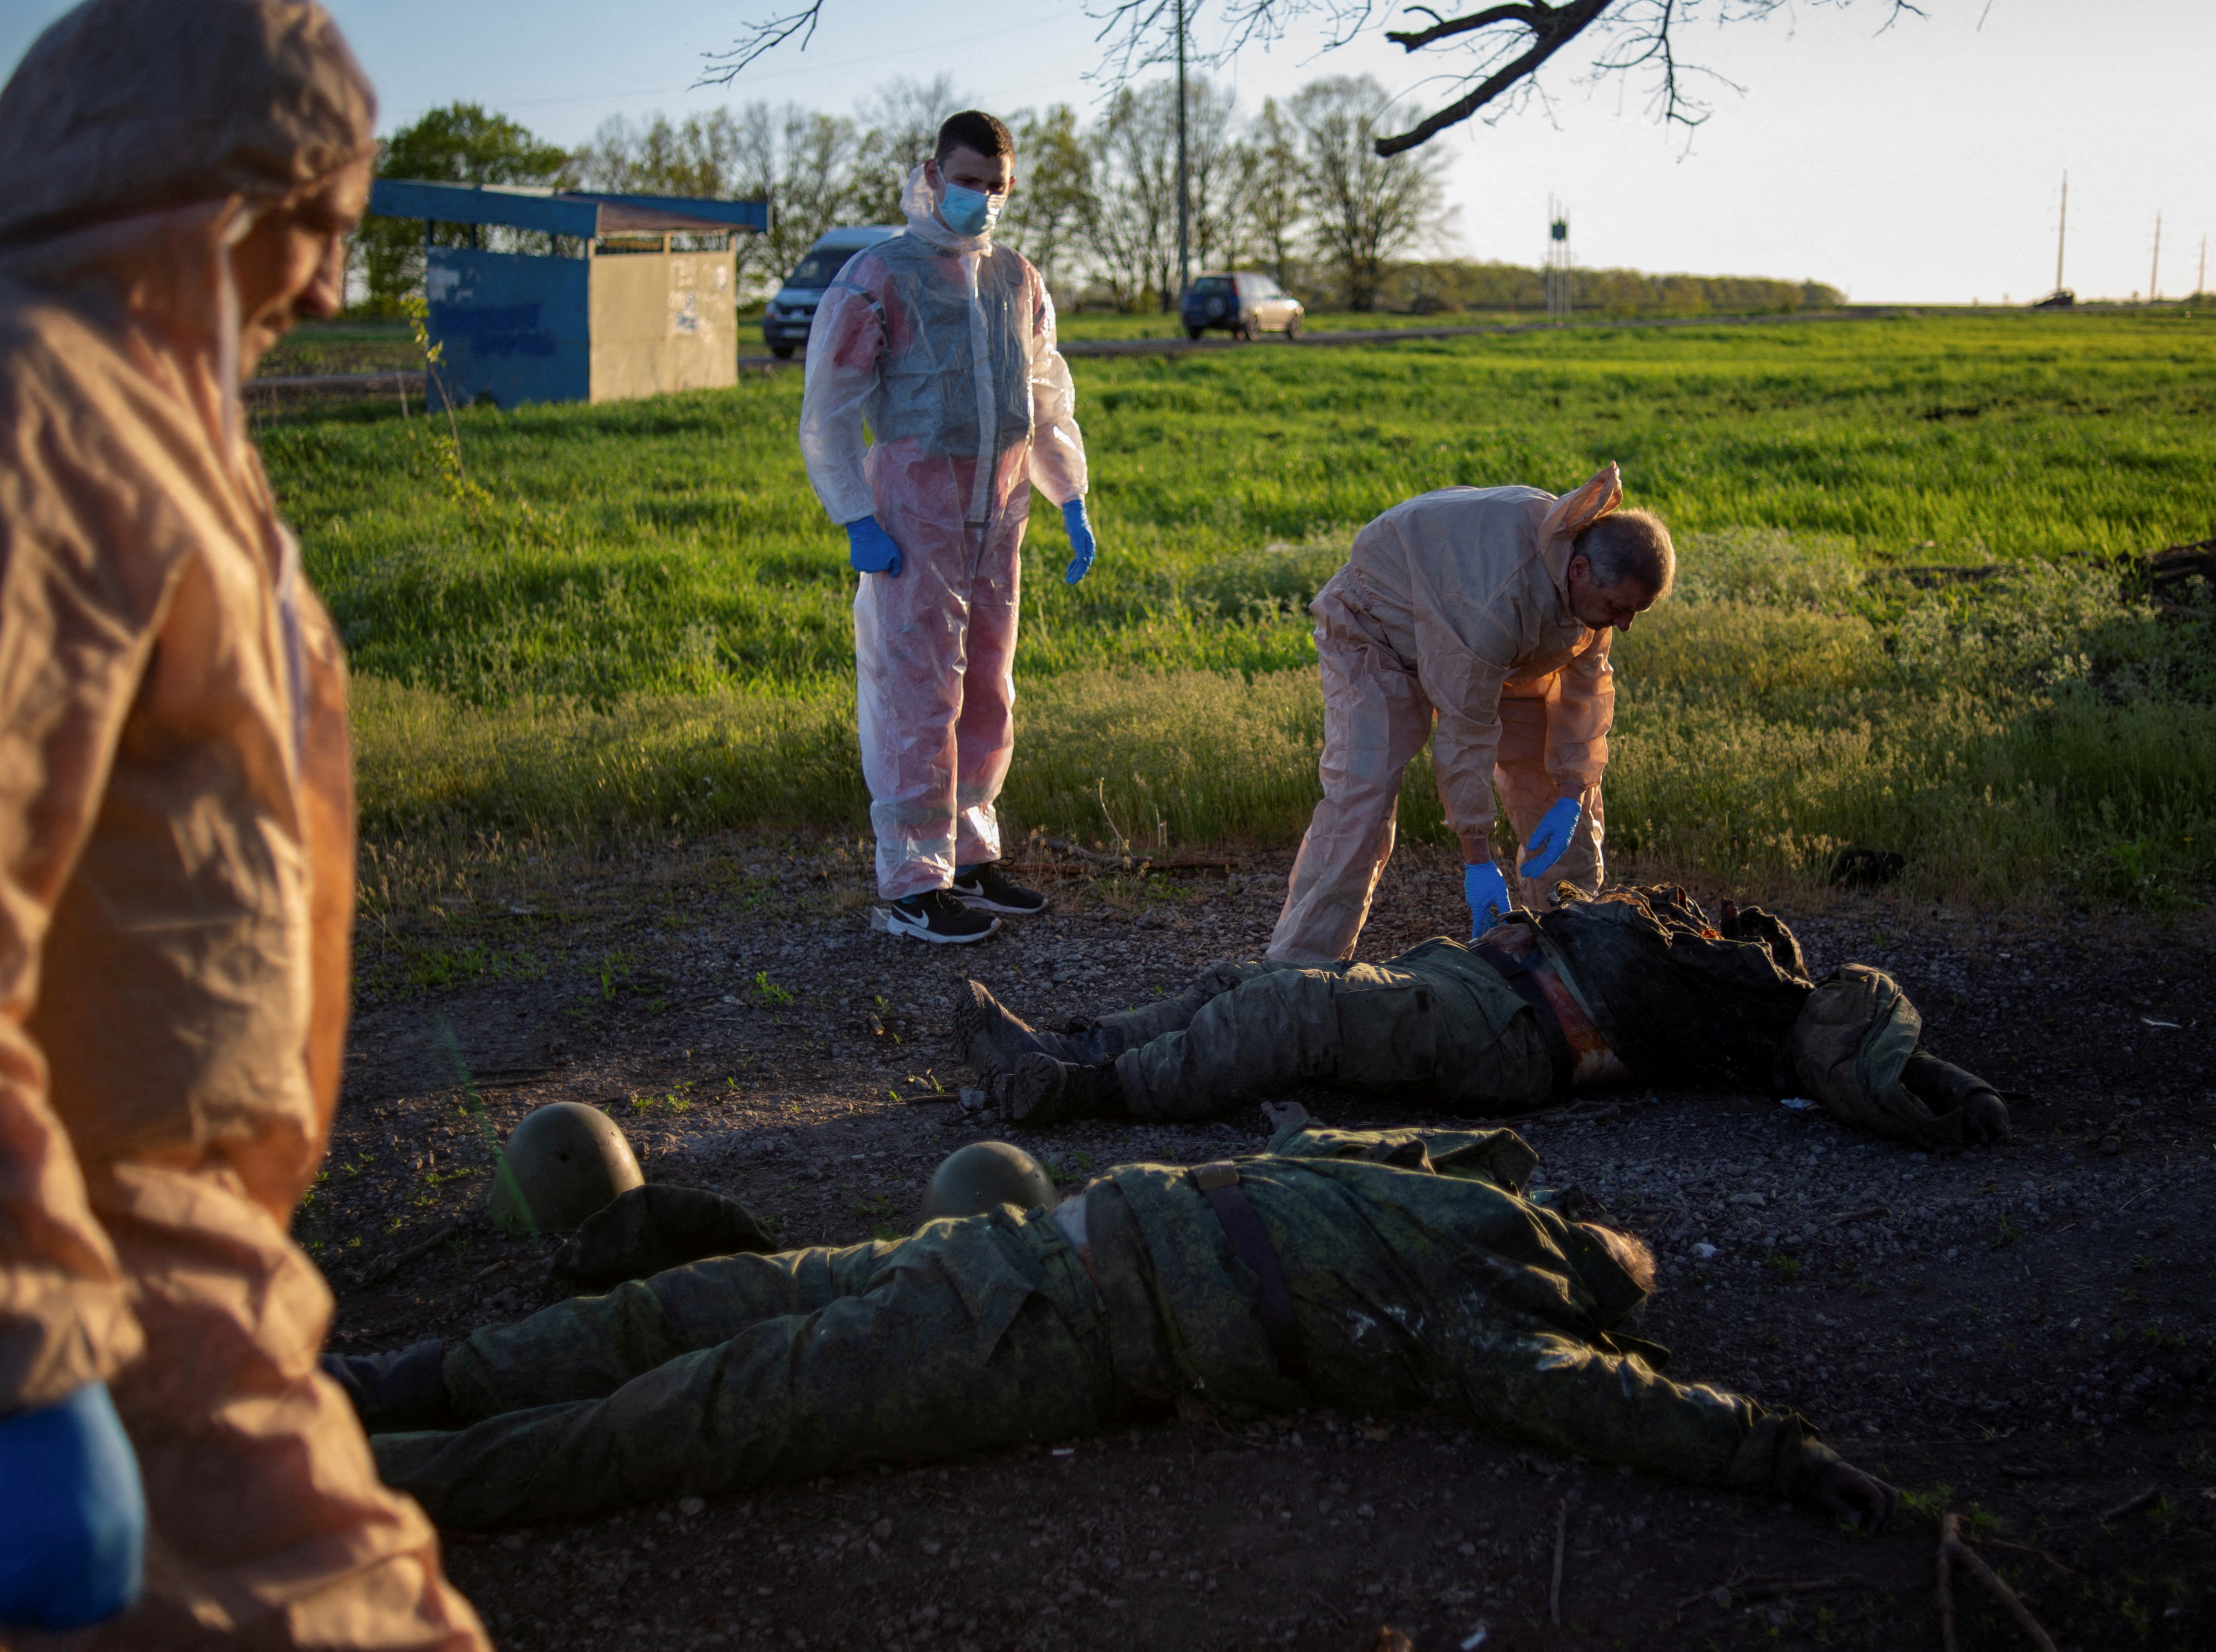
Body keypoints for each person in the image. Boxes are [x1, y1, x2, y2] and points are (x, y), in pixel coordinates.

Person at [0, 2, 485, 1643]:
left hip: (180, 1241)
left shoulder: (151, 417)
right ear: (210, 196)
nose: (339, 287)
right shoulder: (42, 422)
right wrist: (25, 1339)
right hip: (96, 1270)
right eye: (325, 229)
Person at [342, 1113, 1895, 1534]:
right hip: (1020, 1276)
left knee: (694, 1375)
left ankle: (337, 1450)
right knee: (691, 1351)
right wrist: (1765, 1450)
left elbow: (1596, 1395)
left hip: (1039, 1290)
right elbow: (1596, 1397)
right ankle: (351, 1413)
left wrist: (1765, 1452)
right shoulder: (1465, 1246)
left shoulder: (1464, 1242)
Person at [957, 884, 2011, 1149]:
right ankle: (1073, 1044)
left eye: (1753, 937)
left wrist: (1952, 1094)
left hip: (1512, 1034)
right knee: (1242, 978)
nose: (1733, 925)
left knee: (1292, 1008)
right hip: (1479, 983)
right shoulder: (1680, 944)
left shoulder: (1772, 1014)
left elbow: (1865, 1050)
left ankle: (1074, 1092)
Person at [800, 109, 1093, 946]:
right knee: (915, 693)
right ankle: (908, 882)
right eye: (968, 181)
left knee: (986, 688)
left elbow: (1046, 394)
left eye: (996, 187)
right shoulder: (877, 276)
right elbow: (828, 411)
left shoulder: (1017, 279)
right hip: (911, 516)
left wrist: (1068, 493)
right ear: (930, 173)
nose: (982, 200)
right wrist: (855, 516)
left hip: (997, 514)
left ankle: (968, 856)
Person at [1267, 466, 1674, 964]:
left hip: (1491, 641)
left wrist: (1570, 793)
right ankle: (1298, 970)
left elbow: (1586, 696)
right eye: (1618, 608)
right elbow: (1466, 729)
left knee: (1561, 789)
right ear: (1580, 570)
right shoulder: (1496, 601)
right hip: (1378, 628)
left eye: (1636, 612)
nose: (1625, 624)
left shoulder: (1593, 592)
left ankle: (1573, 953)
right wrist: (1478, 863)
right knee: (1363, 799)